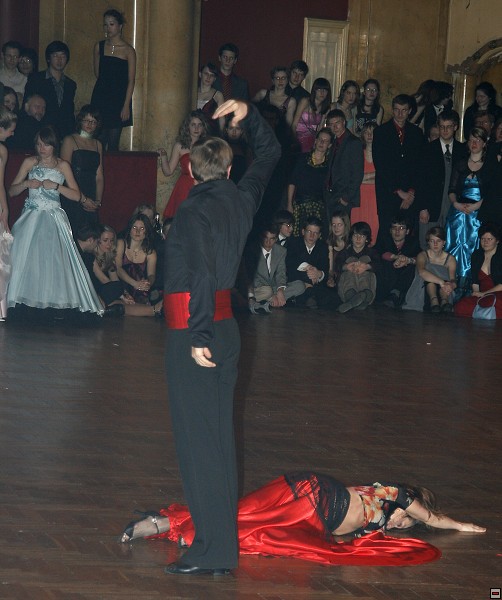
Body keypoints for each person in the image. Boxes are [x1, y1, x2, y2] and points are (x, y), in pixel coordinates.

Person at [161, 99, 281, 576]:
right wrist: (249, 116)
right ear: (230, 170)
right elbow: (271, 154)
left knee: (199, 443)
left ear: (191, 169)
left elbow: (202, 273)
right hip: (226, 329)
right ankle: (218, 547)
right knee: (218, 441)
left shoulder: (193, 208)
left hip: (196, 332)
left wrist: (198, 335)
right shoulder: (242, 196)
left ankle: (212, 550)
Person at [120, 470, 485, 568]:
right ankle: (173, 527)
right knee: (242, 517)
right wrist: (459, 525)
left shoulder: (381, 517)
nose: (405, 524)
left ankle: (164, 525)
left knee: (244, 519)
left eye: (408, 526)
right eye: (409, 519)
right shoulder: (394, 494)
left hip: (312, 510)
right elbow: (432, 518)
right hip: (314, 496)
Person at [7, 126, 102, 316]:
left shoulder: (62, 165)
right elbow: (11, 191)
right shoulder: (29, 162)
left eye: (46, 145)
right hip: (31, 217)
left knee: (54, 261)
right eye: (38, 144)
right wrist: (26, 183)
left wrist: (57, 186)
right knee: (25, 259)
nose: (42, 149)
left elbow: (76, 195)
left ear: (54, 145)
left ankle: (53, 303)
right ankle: (21, 303)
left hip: (54, 217)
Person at [372, 94, 425, 242]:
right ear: (392, 110)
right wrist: (398, 191)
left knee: (408, 234)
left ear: (410, 111)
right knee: (387, 233)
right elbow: (380, 165)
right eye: (397, 110)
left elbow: (419, 166)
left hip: (410, 194)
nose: (400, 114)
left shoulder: (416, 133)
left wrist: (411, 192)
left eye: (404, 110)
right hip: (388, 192)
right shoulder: (381, 132)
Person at [445, 127, 491, 291]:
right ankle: (452, 281)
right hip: (458, 211)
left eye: (478, 140)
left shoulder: (489, 165)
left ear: (484, 144)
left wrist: (476, 206)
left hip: (478, 212)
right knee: (455, 244)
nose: (474, 143)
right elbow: (451, 190)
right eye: (471, 140)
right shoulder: (460, 164)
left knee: (473, 246)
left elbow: (492, 192)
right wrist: (456, 204)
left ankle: (471, 284)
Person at [416, 110, 467, 248]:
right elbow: (420, 181)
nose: (445, 130)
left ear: (455, 127)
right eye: (442, 126)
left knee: (451, 245)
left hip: (454, 207)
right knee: (427, 244)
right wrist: (422, 208)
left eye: (448, 126)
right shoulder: (427, 150)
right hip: (431, 206)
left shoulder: (463, 150)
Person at [91, 9, 136, 151]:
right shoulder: (99, 46)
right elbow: (98, 73)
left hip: (118, 99)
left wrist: (126, 105)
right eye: (105, 24)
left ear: (120, 26)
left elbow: (131, 80)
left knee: (113, 143)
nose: (108, 28)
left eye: (111, 24)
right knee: (98, 140)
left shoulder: (128, 50)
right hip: (101, 96)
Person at [60, 105, 103, 233]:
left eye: (93, 121)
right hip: (72, 191)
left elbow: (99, 176)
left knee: (90, 234)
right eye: (87, 120)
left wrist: (98, 201)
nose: (90, 124)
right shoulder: (69, 140)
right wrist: (82, 198)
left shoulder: (98, 144)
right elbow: (64, 173)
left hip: (91, 192)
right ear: (80, 120)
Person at [160, 110, 210, 219]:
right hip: (184, 186)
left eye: (199, 125)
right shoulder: (180, 146)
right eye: (193, 125)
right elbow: (168, 171)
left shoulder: (208, 146)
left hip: (202, 186)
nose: (196, 128)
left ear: (203, 127)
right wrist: (163, 157)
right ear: (187, 127)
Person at [245, 223, 305, 313]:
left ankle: (269, 301)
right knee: (267, 291)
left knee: (300, 286)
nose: (268, 242)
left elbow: (281, 272)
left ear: (276, 239)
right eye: (266, 238)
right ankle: (270, 299)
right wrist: (272, 295)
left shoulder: (281, 251)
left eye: (272, 239)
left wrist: (280, 290)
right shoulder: (253, 250)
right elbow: (252, 276)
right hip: (257, 288)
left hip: (273, 287)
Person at [23, 41, 76, 140]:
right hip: (40, 130)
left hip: (63, 133)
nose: (59, 59)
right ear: (48, 58)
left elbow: (69, 112)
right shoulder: (36, 79)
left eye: (63, 56)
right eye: (55, 56)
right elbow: (27, 106)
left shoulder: (70, 84)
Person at [287, 127, 332, 235]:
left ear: (329, 145)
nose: (322, 142)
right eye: (320, 139)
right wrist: (289, 203)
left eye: (326, 141)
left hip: (318, 208)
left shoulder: (329, 164)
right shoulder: (302, 159)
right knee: (298, 235)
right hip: (300, 205)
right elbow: (292, 181)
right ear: (315, 141)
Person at [403, 226, 457, 313]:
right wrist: (441, 282)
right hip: (423, 291)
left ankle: (444, 302)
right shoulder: (422, 255)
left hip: (445, 291)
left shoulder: (450, 259)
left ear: (444, 242)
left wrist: (451, 285)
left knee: (446, 279)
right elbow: (422, 272)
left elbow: (453, 279)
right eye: (432, 241)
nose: (435, 244)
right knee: (429, 269)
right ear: (428, 242)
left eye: (438, 241)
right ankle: (434, 301)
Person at [324, 109, 364, 223]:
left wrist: (346, 197)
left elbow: (357, 173)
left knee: (342, 228)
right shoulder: (334, 142)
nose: (335, 127)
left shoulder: (353, 142)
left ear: (344, 122)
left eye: (337, 123)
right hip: (331, 195)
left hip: (343, 196)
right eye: (331, 124)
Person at [455, 223, 502, 318]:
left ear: (497, 241)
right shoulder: (477, 255)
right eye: (483, 239)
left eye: (489, 239)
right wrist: (477, 294)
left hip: (498, 292)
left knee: (495, 302)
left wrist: (484, 293)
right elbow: (475, 281)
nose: (485, 242)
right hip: (482, 295)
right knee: (460, 306)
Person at [335, 221, 381, 313]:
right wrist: (347, 267)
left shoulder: (372, 252)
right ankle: (357, 299)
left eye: (362, 236)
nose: (358, 239)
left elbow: (379, 265)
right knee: (351, 262)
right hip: (348, 289)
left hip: (366, 287)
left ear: (367, 239)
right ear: (351, 237)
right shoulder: (345, 252)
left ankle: (357, 300)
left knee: (365, 261)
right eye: (355, 235)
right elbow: (337, 265)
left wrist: (366, 266)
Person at [376, 214, 420, 307]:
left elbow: (421, 257)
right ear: (390, 230)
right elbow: (380, 252)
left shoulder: (413, 242)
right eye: (394, 228)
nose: (397, 231)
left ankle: (396, 293)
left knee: (412, 267)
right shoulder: (385, 240)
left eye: (401, 228)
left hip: (404, 278)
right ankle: (390, 295)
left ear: (407, 231)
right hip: (387, 279)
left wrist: (408, 260)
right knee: (385, 263)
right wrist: (396, 257)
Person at [115, 214, 159, 307]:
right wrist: (135, 284)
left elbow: (151, 275)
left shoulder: (150, 252)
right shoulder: (121, 244)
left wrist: (147, 283)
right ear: (130, 229)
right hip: (121, 285)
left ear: (146, 231)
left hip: (140, 288)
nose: (137, 231)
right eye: (134, 227)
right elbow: (118, 268)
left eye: (142, 228)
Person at [0, 106, 17, 321]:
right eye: (11, 130)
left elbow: (0, 183)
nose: (13, 134)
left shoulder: (2, 150)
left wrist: (5, 209)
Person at [350, 121, 378, 242]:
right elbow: (353, 178)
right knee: (357, 225)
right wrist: (373, 176)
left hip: (375, 196)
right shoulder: (358, 154)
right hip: (359, 196)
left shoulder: (381, 154)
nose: (370, 135)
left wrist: (363, 178)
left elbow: (383, 177)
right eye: (366, 132)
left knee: (375, 226)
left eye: (372, 132)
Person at [292, 78, 332, 153]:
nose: (322, 92)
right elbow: (294, 124)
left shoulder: (326, 108)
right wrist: (293, 141)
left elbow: (320, 129)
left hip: (312, 141)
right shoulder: (305, 101)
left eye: (325, 90)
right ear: (314, 90)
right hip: (297, 139)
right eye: (319, 89)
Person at [196, 62, 224, 133]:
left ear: (214, 79)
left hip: (210, 133)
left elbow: (222, 120)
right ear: (200, 74)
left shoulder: (218, 95)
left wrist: (222, 135)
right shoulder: (193, 92)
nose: (208, 77)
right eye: (206, 74)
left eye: (212, 75)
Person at [326, 208, 350, 288]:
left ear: (345, 225)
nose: (336, 228)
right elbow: (330, 269)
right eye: (334, 225)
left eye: (339, 224)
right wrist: (330, 278)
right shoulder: (329, 243)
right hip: (334, 278)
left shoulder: (351, 243)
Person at [0, 41, 27, 106]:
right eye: (9, 56)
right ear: (2, 55)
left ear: (19, 58)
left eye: (15, 57)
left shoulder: (24, 80)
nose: (12, 60)